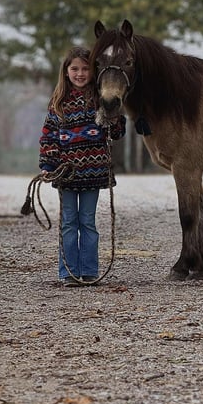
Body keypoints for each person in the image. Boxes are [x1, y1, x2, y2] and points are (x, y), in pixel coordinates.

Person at [39, 46, 126, 286]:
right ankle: (68, 272)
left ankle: (88, 271)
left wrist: (113, 114)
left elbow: (117, 132)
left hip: (92, 172)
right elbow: (49, 136)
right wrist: (48, 163)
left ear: (93, 71)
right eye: (75, 68)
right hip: (66, 173)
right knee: (69, 221)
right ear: (66, 71)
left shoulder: (99, 99)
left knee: (87, 220)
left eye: (85, 69)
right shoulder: (58, 103)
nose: (80, 73)